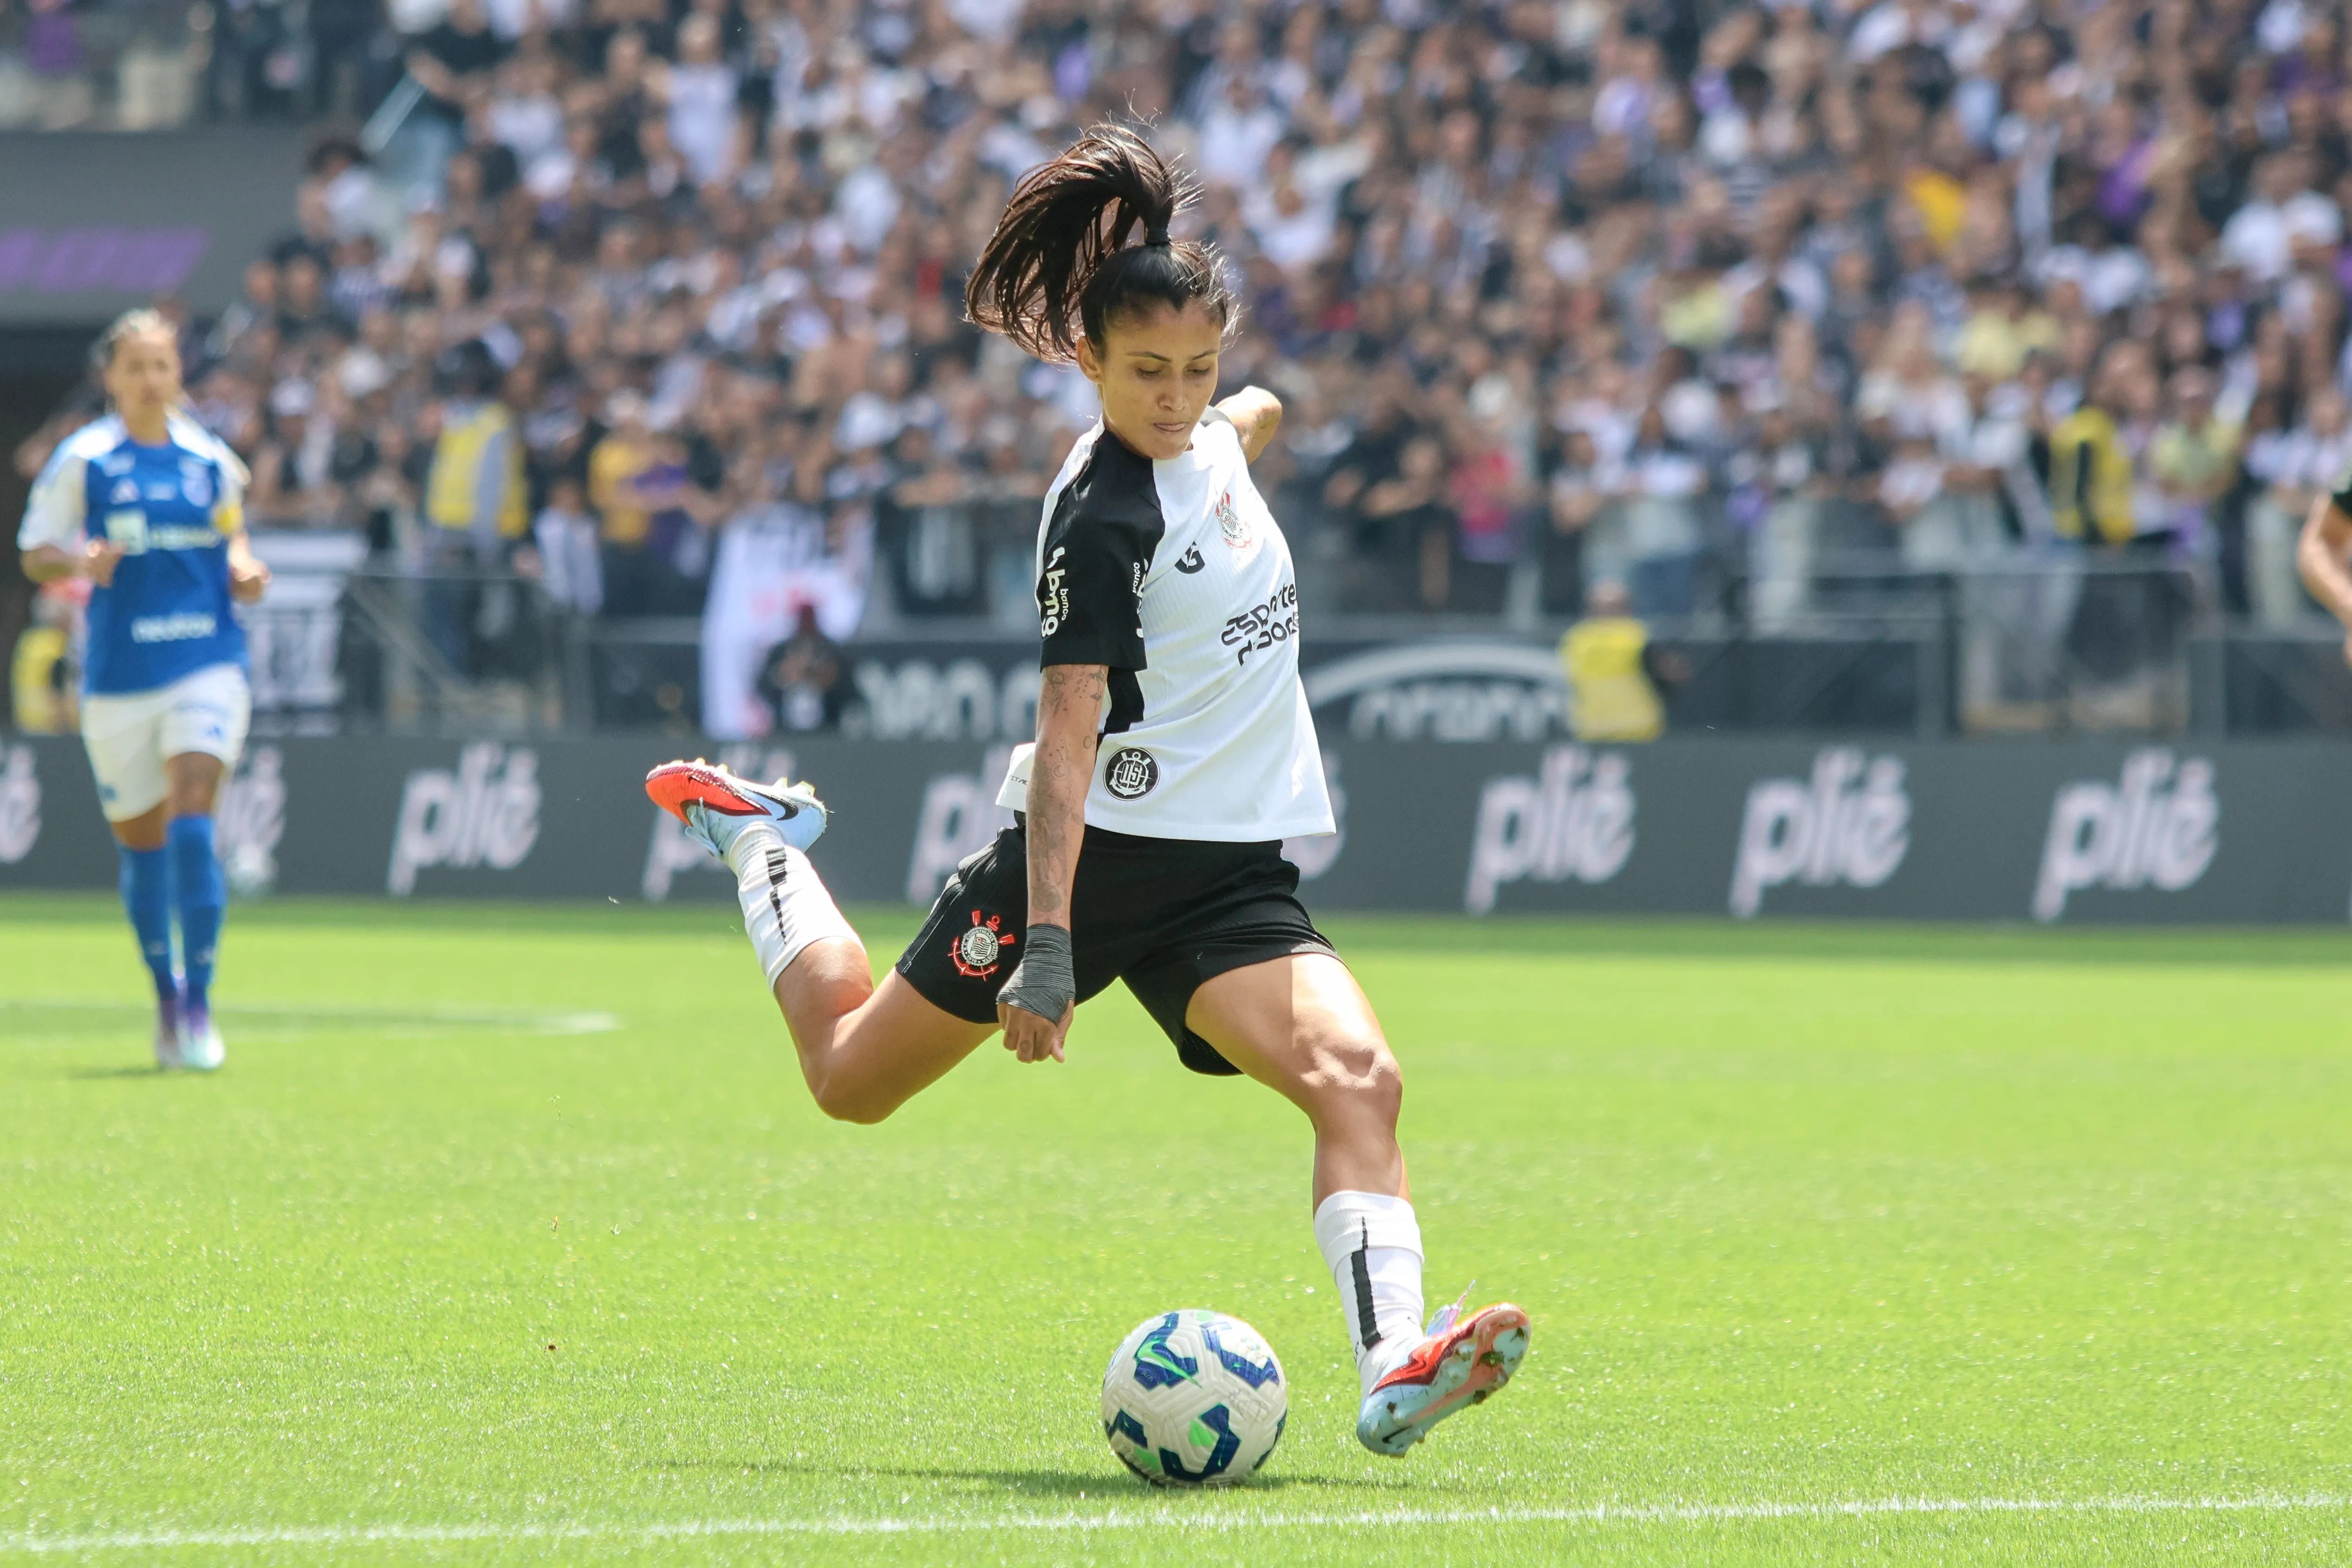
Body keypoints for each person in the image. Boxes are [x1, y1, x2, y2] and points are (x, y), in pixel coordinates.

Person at [645, 126, 1527, 1463]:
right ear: (1088, 363)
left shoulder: (1216, 435)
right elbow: (1064, 748)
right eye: (1147, 375)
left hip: (1228, 876)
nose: (1177, 399)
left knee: (1363, 1081)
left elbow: (1250, 422)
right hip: (1093, 859)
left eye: (1198, 369)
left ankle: (1393, 1366)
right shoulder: (1103, 522)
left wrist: (1246, 413)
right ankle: (760, 843)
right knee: (848, 1080)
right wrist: (1047, 949)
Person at [16, 309, 272, 1070]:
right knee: (143, 844)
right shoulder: (83, 459)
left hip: (207, 659)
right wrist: (75, 562)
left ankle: (200, 1002)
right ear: (112, 377)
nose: (151, 380)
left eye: (162, 366)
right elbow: (34, 553)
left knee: (196, 803)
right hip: (120, 678)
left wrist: (245, 569)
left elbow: (233, 534)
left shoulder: (210, 460)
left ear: (177, 374)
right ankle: (164, 993)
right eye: (136, 367)